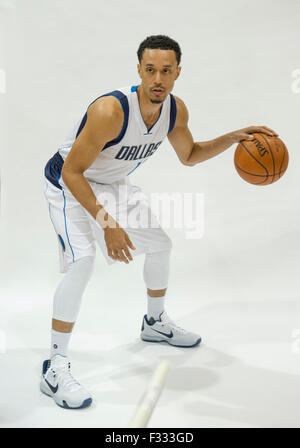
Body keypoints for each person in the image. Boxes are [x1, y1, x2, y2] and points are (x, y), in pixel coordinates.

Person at [41, 35, 277, 409]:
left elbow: (190, 155)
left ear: (177, 73)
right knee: (82, 263)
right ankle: (54, 365)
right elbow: (73, 171)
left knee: (161, 246)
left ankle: (154, 324)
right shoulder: (110, 111)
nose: (158, 79)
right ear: (138, 70)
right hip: (68, 182)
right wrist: (107, 223)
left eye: (166, 71)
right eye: (150, 70)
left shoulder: (174, 111)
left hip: (113, 182)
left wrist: (233, 138)